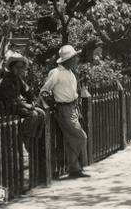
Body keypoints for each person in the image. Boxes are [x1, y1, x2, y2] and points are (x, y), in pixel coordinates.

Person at [39, 45, 90, 178]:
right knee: (81, 137)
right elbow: (44, 90)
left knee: (70, 140)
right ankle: (80, 166)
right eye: (74, 58)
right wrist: (52, 103)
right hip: (63, 109)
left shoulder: (70, 72)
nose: (76, 60)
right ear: (68, 60)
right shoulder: (56, 73)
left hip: (73, 107)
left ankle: (75, 169)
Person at [0, 53, 46, 140]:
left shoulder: (18, 79)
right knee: (33, 115)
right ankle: (24, 139)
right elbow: (11, 100)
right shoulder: (6, 81)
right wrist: (26, 105)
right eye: (17, 67)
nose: (19, 69)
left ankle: (33, 138)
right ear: (11, 68)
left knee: (42, 113)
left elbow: (28, 92)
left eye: (21, 67)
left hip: (15, 106)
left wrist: (32, 100)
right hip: (6, 108)